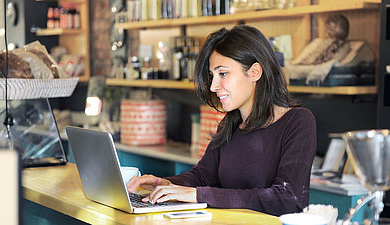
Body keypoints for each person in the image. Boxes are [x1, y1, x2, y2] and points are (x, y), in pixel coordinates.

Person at [127, 25, 317, 216]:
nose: (213, 86)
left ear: (255, 72)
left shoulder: (298, 122)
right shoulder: (230, 124)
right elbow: (203, 176)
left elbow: (285, 198)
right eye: (212, 76)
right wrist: (165, 184)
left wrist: (199, 195)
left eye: (223, 73)